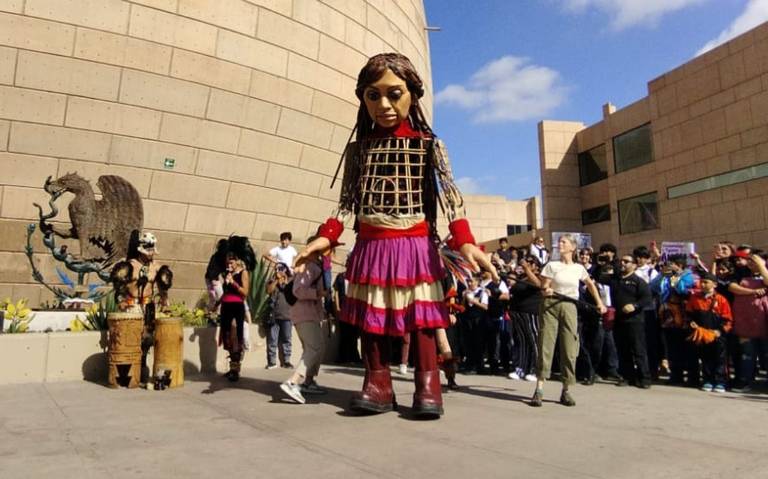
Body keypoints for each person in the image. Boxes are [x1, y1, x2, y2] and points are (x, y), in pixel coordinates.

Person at [294, 53, 496, 419]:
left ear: (412, 96)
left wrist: (465, 240)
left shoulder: (430, 146)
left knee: (420, 319)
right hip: (371, 244)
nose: (383, 105)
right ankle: (378, 384)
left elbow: (451, 199)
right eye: (373, 95)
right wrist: (327, 236)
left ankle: (428, 385)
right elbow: (346, 204)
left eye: (394, 93)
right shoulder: (359, 150)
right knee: (371, 318)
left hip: (415, 246)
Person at [530, 234, 606, 407]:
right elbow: (544, 287)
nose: (560, 244)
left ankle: (566, 390)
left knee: (570, 347)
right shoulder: (552, 265)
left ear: (573, 247)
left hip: (570, 305)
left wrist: (600, 303)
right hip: (550, 305)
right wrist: (546, 291)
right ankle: (539, 389)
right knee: (546, 344)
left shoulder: (579, 268)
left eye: (564, 242)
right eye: (560, 242)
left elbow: (591, 285)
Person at [110, 231, 173, 385]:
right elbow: (119, 287)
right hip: (132, 306)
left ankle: (142, 369)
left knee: (147, 338)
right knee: (130, 339)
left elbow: (162, 288)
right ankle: (128, 372)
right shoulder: (129, 266)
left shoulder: (156, 268)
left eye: (153, 250)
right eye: (149, 250)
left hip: (148, 306)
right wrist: (121, 301)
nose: (152, 254)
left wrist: (165, 302)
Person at [280, 246, 327, 404]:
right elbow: (298, 290)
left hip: (309, 314)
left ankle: (308, 381)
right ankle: (293, 382)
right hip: (305, 314)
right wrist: (318, 294)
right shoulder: (310, 267)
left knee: (317, 347)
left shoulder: (314, 267)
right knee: (313, 348)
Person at [608, 254, 653, 388]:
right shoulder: (615, 280)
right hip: (619, 320)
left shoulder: (638, 281)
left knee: (638, 350)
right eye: (622, 261)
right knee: (623, 349)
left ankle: (644, 378)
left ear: (634, 265)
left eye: (626, 261)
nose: (623, 263)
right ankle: (628, 376)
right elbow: (600, 276)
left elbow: (647, 298)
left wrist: (635, 306)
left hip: (635, 321)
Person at [652, 254, 696, 386]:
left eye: (671, 264)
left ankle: (692, 377)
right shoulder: (666, 276)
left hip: (683, 315)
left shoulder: (688, 275)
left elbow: (682, 290)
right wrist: (661, 275)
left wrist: (676, 277)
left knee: (687, 347)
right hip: (668, 315)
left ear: (679, 265)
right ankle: (676, 375)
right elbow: (653, 287)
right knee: (672, 346)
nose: (668, 267)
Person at [686, 272, 733, 393]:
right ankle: (707, 380)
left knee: (720, 358)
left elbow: (728, 319)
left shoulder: (721, 299)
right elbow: (689, 314)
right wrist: (691, 323)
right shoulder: (695, 298)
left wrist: (720, 331)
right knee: (705, 357)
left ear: (715, 284)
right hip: (702, 334)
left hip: (717, 333)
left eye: (706, 282)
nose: (702, 284)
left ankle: (721, 382)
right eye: (702, 281)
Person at [728, 252, 768, 392]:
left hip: (764, 319)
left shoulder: (765, 272)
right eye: (749, 260)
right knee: (747, 354)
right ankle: (746, 382)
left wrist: (761, 266)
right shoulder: (741, 273)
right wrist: (753, 291)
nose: (751, 263)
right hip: (745, 320)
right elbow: (732, 287)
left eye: (754, 260)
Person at [507, 255, 542, 382]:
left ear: (536, 266)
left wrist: (527, 269)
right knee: (522, 341)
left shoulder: (539, 276)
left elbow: (538, 284)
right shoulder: (522, 277)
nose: (526, 263)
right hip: (518, 313)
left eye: (530, 262)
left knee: (534, 341)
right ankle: (521, 368)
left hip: (531, 312)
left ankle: (535, 369)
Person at [219, 252, 250, 382]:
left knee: (235, 336)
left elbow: (245, 292)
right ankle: (232, 368)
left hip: (236, 307)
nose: (229, 264)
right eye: (227, 262)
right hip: (226, 307)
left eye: (231, 262)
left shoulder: (243, 273)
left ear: (237, 261)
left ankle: (236, 370)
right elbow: (225, 292)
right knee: (227, 338)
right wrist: (216, 305)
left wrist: (233, 283)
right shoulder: (227, 274)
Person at [265, 263, 294, 369]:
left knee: (287, 339)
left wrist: (285, 281)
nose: (280, 271)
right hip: (274, 316)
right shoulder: (272, 280)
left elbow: (293, 293)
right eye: (278, 269)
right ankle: (272, 362)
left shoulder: (291, 280)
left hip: (287, 315)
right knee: (272, 340)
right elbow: (268, 290)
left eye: (282, 269)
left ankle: (287, 361)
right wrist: (277, 281)